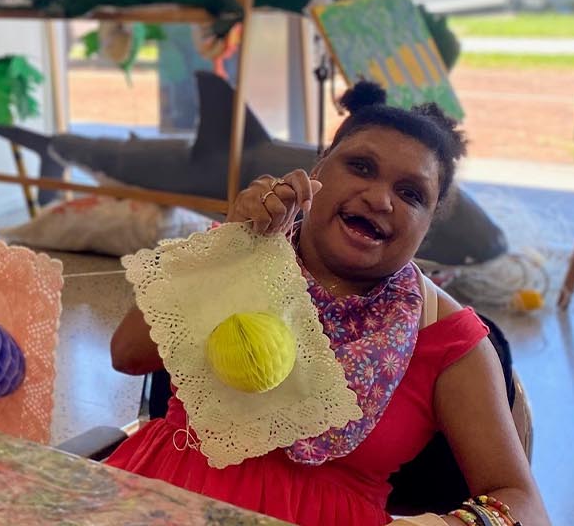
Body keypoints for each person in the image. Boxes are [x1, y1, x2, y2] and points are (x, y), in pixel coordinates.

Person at [106, 82, 548, 526]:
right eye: (360, 167)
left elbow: (523, 503)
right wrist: (234, 251)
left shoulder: (449, 339)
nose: (379, 198)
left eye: (411, 194)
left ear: (428, 226)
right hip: (161, 501)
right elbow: (127, 353)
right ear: (318, 170)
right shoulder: (244, 250)